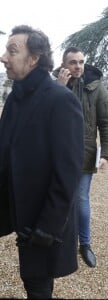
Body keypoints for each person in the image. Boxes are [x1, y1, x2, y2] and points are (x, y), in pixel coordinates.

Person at [0, 25, 84, 298]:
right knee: (33, 279)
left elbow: (68, 173)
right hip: (22, 211)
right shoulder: (18, 95)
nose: (3, 57)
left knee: (38, 285)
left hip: (44, 219)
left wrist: (48, 229)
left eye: (12, 50)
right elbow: (0, 135)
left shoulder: (60, 100)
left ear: (34, 59)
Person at [52, 46, 108, 268]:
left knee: (81, 199)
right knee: (61, 197)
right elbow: (47, 116)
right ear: (64, 64)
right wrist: (60, 88)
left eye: (81, 62)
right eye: (72, 62)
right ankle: (62, 241)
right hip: (58, 152)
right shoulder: (54, 84)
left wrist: (105, 153)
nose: (77, 66)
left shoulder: (96, 88)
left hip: (84, 152)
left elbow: (105, 122)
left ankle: (84, 243)